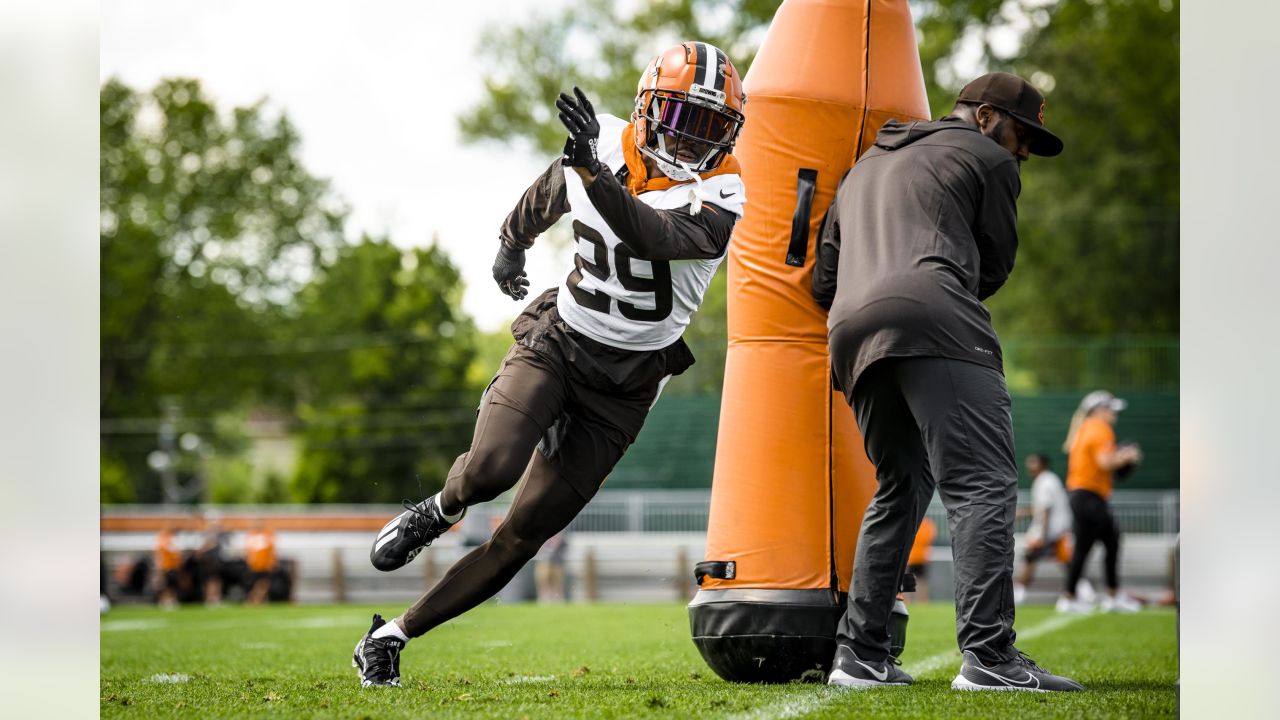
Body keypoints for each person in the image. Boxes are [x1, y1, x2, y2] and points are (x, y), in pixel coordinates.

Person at [352, 41, 748, 688]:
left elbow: (655, 236)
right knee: (488, 471)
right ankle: (440, 508)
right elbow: (550, 189)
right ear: (648, 108)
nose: (689, 140)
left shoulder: (725, 188)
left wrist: (593, 171)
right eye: (680, 117)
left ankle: (391, 636)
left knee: (523, 533)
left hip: (626, 384)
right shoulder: (603, 147)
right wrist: (511, 244)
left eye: (709, 125)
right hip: (559, 341)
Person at [811, 72, 1082, 692]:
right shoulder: (988, 158)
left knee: (900, 485)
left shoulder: (861, 169)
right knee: (982, 482)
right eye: (1022, 135)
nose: (1022, 153)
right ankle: (989, 656)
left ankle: (859, 657)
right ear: (985, 116)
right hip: (934, 315)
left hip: (851, 334)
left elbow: (823, 281)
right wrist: (936, 286)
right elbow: (994, 265)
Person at [1056, 390, 1143, 613]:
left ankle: (1071, 597)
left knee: (1090, 546)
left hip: (1082, 495)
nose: (1114, 414)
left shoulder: (1085, 428)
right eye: (1111, 409)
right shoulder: (1099, 428)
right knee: (1108, 542)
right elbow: (1105, 462)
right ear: (1099, 410)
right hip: (1089, 496)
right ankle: (1105, 596)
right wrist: (1127, 456)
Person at [1014, 453, 1074, 606]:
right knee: (1066, 562)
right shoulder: (1050, 479)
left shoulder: (1045, 481)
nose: (1030, 466)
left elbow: (1046, 509)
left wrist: (1042, 534)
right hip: (1057, 530)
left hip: (1050, 531)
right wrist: (1025, 512)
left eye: (1033, 463)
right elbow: (1041, 508)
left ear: (1043, 464)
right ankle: (1082, 591)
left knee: (1029, 558)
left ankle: (1018, 593)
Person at [243, 519, 278, 605]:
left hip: (265, 565)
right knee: (256, 584)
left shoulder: (267, 535)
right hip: (254, 565)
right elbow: (247, 551)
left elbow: (271, 550)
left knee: (263, 583)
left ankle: (258, 599)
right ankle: (254, 599)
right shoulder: (252, 535)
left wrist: (272, 562)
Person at [905, 516, 935, 602]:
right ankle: (911, 601)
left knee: (921, 580)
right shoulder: (925, 524)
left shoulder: (925, 524)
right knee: (913, 579)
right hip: (913, 557)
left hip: (920, 557)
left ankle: (921, 600)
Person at [534, 529, 569, 603]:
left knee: (557, 585)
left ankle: (558, 600)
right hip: (544, 563)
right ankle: (544, 600)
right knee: (544, 584)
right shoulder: (543, 535)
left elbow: (564, 548)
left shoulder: (562, 535)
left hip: (557, 564)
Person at [154, 524, 182, 609]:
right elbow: (160, 556)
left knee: (172, 585)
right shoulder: (163, 542)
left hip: (173, 567)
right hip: (166, 567)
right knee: (166, 585)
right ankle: (165, 600)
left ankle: (172, 599)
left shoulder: (171, 540)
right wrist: (160, 568)